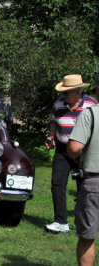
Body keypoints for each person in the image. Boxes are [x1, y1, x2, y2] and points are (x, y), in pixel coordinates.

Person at [44, 74, 97, 234]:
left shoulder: (91, 104)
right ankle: (61, 222)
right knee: (57, 184)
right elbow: (54, 121)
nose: (63, 95)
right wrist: (51, 136)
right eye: (63, 92)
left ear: (77, 91)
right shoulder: (59, 104)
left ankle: (84, 221)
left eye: (66, 92)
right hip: (62, 149)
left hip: (83, 151)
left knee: (84, 186)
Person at [68, 104, 99, 265]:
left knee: (87, 237)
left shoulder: (90, 114)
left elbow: (74, 147)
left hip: (95, 181)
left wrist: (79, 158)